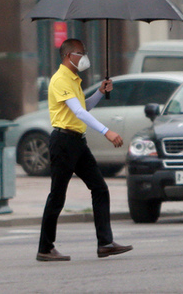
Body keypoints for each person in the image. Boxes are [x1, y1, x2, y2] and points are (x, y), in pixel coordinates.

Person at [36, 38, 133, 262]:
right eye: (81, 52)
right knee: (57, 196)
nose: (85, 56)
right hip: (63, 142)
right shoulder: (60, 79)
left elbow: (84, 106)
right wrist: (106, 131)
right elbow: (79, 113)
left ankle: (105, 243)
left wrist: (100, 92)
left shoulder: (73, 80)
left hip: (77, 142)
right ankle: (45, 247)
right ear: (69, 56)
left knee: (100, 188)